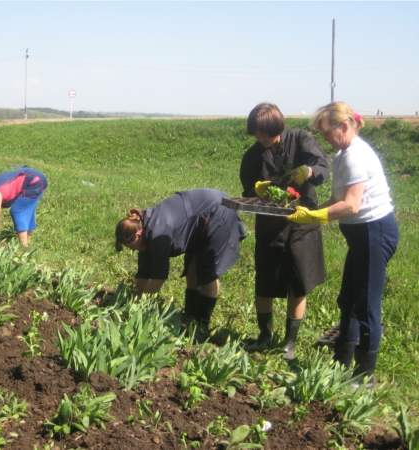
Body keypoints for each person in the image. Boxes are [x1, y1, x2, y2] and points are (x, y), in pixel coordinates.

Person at [288, 102, 399, 387]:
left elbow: (350, 206)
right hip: (362, 236)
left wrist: (317, 217)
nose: (325, 138)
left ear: (344, 126)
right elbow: (338, 201)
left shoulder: (354, 156)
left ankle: (365, 377)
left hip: (374, 232)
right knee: (348, 300)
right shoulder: (342, 154)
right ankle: (341, 363)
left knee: (366, 304)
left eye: (327, 132)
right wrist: (310, 214)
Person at [240, 102, 330, 360]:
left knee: (297, 281)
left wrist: (309, 171)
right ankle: (264, 335)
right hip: (270, 226)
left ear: (277, 126)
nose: (261, 138)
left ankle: (289, 342)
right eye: (256, 132)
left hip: (303, 222)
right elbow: (247, 190)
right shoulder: (253, 156)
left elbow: (323, 166)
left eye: (265, 132)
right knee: (265, 279)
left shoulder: (300, 140)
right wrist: (256, 189)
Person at [114, 188, 247, 337]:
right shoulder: (143, 227)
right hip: (200, 216)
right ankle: (190, 315)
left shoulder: (158, 232)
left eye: (131, 246)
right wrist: (133, 304)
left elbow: (159, 276)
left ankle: (202, 323)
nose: (132, 250)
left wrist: (140, 308)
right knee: (192, 267)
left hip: (218, 211)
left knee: (206, 270)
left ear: (137, 235)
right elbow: (143, 273)